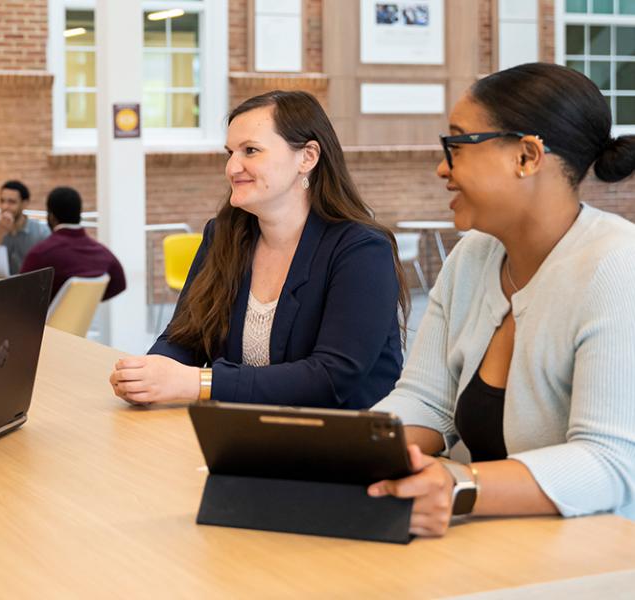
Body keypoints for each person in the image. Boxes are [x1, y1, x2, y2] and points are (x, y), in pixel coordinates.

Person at [368, 63, 635, 537]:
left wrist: (460, 485)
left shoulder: (617, 265)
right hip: (486, 546)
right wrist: (350, 454)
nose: (442, 167)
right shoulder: (473, 255)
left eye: (456, 144)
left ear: (527, 157)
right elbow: (427, 402)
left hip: (593, 562)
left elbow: (609, 463)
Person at [109, 90, 409, 409]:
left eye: (250, 151)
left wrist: (196, 382)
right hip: (242, 435)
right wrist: (149, 375)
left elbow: (330, 377)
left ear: (307, 157)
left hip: (341, 444)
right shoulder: (224, 234)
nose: (232, 167)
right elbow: (185, 337)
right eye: (230, 153)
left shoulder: (361, 250)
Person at [20, 186, 126, 301]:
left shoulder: (40, 254)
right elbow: (120, 284)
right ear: (79, 214)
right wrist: (86, 303)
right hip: (84, 319)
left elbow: (19, 296)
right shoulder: (102, 252)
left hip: (49, 319)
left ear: (51, 217)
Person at [0, 180, 50, 274]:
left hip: (29, 285)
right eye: (2, 201)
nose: (5, 206)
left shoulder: (41, 232)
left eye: (11, 202)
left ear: (25, 204)